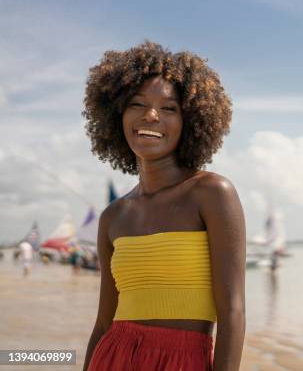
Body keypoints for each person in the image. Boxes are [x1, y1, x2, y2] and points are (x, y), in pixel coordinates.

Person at [82, 41, 246, 371]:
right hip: (113, 358)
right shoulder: (113, 216)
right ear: (117, 116)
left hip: (183, 361)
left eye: (169, 108)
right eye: (136, 104)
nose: (150, 115)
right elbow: (103, 324)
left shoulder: (212, 193)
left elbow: (233, 313)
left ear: (191, 121)